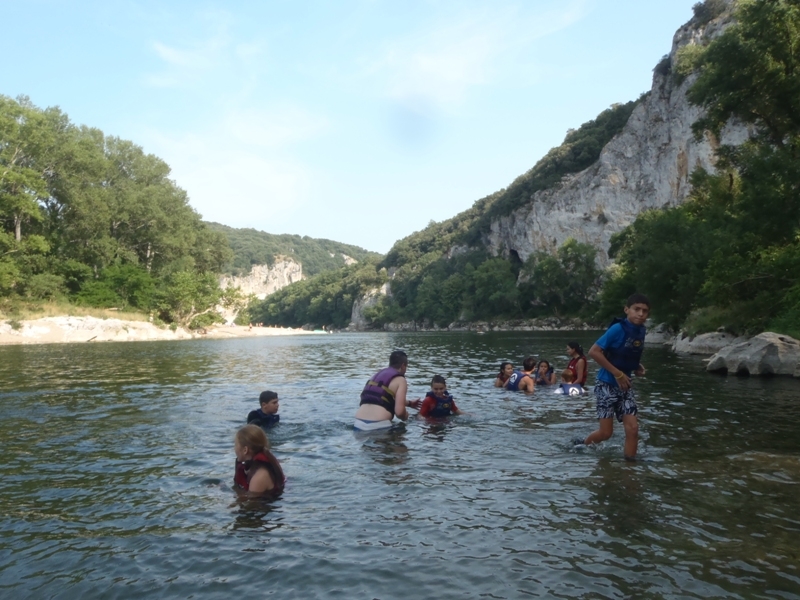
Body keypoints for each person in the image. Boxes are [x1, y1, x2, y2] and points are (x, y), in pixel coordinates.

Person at [574, 293, 650, 460]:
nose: (640, 314)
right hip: (606, 384)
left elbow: (625, 352)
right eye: (636, 309)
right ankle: (582, 446)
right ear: (626, 310)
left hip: (625, 385)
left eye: (644, 311)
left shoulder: (640, 331)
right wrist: (617, 373)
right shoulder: (618, 329)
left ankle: (630, 469)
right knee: (606, 433)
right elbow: (594, 352)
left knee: (633, 429)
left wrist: (636, 366)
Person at [354, 350, 422, 431]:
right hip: (379, 426)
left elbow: (383, 397)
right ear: (403, 366)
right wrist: (406, 417)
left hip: (358, 424)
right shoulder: (400, 380)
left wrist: (409, 403)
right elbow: (399, 412)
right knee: (401, 440)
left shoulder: (376, 375)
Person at [233, 424, 285, 496]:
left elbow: (251, 505)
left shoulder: (259, 477)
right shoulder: (254, 466)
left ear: (245, 450)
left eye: (235, 444)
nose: (234, 449)